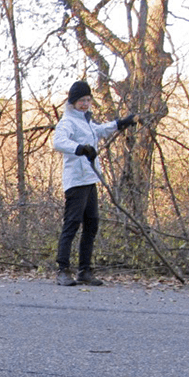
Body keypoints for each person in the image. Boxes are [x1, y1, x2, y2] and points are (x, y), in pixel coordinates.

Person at [52, 80, 137, 286]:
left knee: (91, 225)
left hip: (90, 179)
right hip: (76, 181)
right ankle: (62, 270)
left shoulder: (86, 121)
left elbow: (99, 131)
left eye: (88, 100)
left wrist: (121, 123)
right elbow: (58, 142)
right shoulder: (67, 122)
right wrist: (80, 148)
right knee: (72, 224)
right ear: (73, 102)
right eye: (81, 100)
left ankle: (85, 270)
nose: (85, 104)